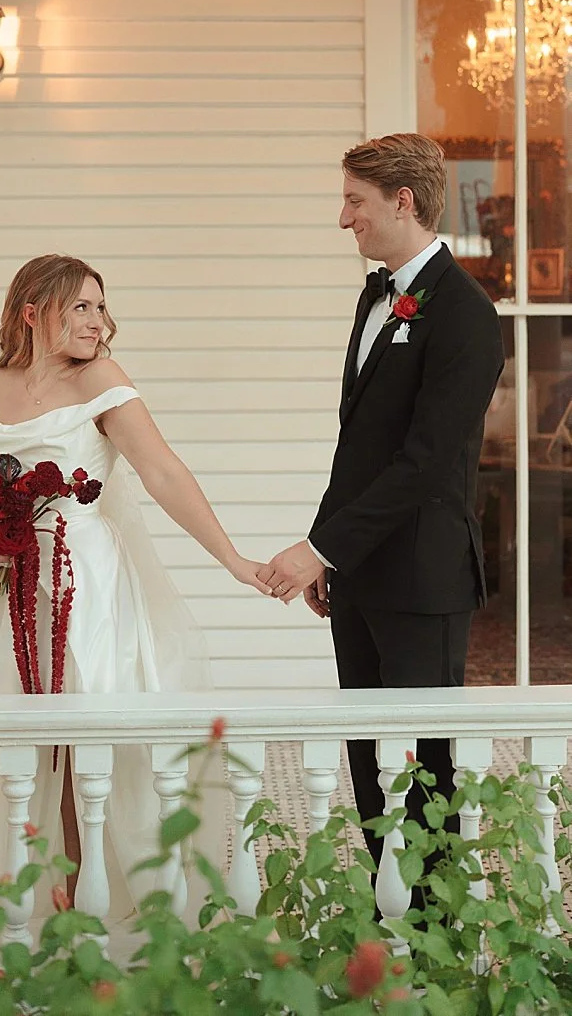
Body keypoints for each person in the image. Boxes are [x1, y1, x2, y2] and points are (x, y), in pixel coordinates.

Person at [0, 253, 265, 930]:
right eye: (81, 307)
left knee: (91, 742)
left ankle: (117, 909)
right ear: (33, 312)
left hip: (86, 584)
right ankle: (41, 904)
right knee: (26, 749)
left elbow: (162, 472)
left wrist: (233, 559)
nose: (98, 321)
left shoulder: (101, 378)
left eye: (101, 306)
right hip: (16, 590)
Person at [266, 133, 503, 889]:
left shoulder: (466, 314)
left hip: (424, 577)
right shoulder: (376, 296)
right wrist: (326, 547)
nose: (345, 218)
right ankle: (386, 899)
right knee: (365, 751)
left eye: (355, 201)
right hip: (359, 572)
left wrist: (320, 549)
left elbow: (424, 464)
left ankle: (435, 920)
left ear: (403, 202)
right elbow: (360, 450)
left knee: (427, 761)